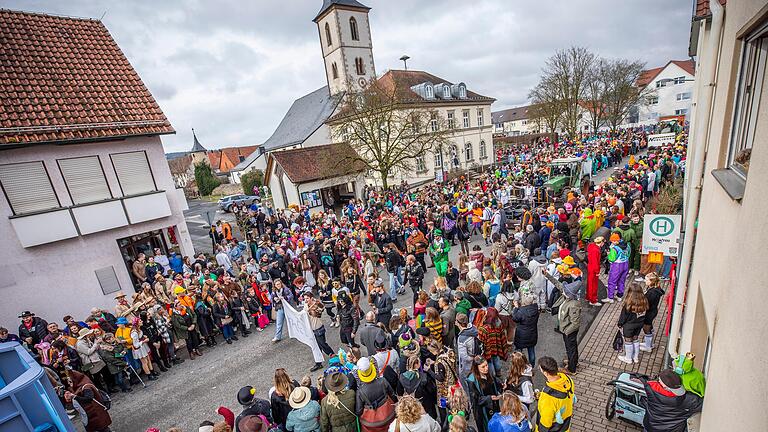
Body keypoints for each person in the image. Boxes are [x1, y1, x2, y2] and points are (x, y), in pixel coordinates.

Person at [639, 369, 703, 432]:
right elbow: (704, 404)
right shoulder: (687, 399)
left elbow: (645, 380)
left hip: (650, 426)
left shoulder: (649, 388)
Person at [545, 268, 582, 374]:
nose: (563, 291)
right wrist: (547, 275)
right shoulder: (568, 295)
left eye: (565, 291)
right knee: (570, 347)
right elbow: (558, 284)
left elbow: (575, 323)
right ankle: (572, 361)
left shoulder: (574, 305)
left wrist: (566, 331)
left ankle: (572, 368)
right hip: (565, 328)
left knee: (571, 347)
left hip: (569, 330)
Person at [535, 357, 574, 432]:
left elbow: (545, 424)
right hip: (565, 426)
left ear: (546, 373)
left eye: (541, 369)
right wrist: (541, 396)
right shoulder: (567, 379)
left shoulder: (548, 398)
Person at [466, 356, 501, 432]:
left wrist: (501, 385)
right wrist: (490, 398)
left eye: (486, 365)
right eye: (483, 367)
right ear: (476, 368)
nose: (486, 368)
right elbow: (476, 399)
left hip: (493, 405)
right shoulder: (472, 380)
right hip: (482, 410)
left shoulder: (488, 372)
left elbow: (494, 381)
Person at [617, 282, 648, 364]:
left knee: (628, 341)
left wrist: (620, 324)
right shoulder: (644, 301)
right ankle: (636, 357)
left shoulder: (628, 303)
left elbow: (623, 317)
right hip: (639, 324)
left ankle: (628, 358)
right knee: (636, 339)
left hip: (629, 325)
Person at [511, 292, 539, 367]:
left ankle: (519, 366)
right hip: (532, 333)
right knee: (531, 351)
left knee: (519, 351)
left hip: (521, 335)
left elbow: (514, 318)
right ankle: (531, 366)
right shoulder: (535, 309)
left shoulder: (521, 311)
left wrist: (516, 308)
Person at [477, 307, 506, 378]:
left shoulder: (483, 329)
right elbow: (503, 337)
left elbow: (480, 342)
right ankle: (498, 373)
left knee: (489, 363)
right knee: (496, 359)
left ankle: (493, 377)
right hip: (496, 348)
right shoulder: (499, 325)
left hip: (487, 351)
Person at [640, 272, 665, 352]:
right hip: (653, 311)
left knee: (646, 328)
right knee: (649, 327)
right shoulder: (655, 289)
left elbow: (647, 303)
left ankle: (648, 347)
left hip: (650, 312)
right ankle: (650, 344)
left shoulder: (652, 293)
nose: (645, 281)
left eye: (646, 280)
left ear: (651, 281)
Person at [606, 233, 630, 301]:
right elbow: (629, 254)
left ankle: (610, 297)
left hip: (617, 266)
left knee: (612, 281)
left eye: (612, 241)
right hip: (625, 264)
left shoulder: (615, 248)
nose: (612, 242)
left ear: (615, 241)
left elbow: (611, 259)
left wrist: (608, 254)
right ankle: (619, 296)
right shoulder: (627, 245)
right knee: (621, 281)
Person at [586, 237, 603, 306]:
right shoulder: (596, 250)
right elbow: (596, 262)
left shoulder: (591, 247)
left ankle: (588, 297)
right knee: (594, 285)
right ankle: (593, 300)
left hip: (590, 267)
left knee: (590, 283)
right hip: (594, 269)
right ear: (601, 242)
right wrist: (597, 271)